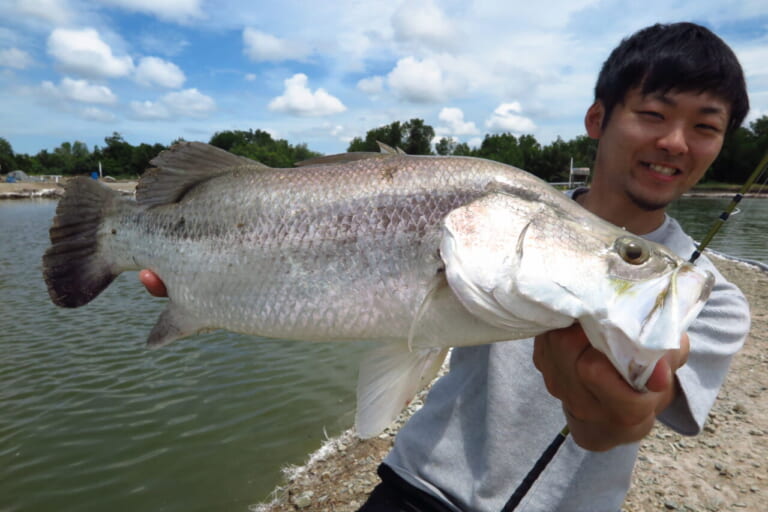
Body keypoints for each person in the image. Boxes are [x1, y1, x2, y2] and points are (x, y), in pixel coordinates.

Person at [140, 22, 751, 512]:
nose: (675, 141)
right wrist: (210, 284)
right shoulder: (510, 202)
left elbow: (623, 422)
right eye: (653, 114)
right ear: (599, 119)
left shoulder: (711, 297)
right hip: (410, 485)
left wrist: (614, 414)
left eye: (705, 127)